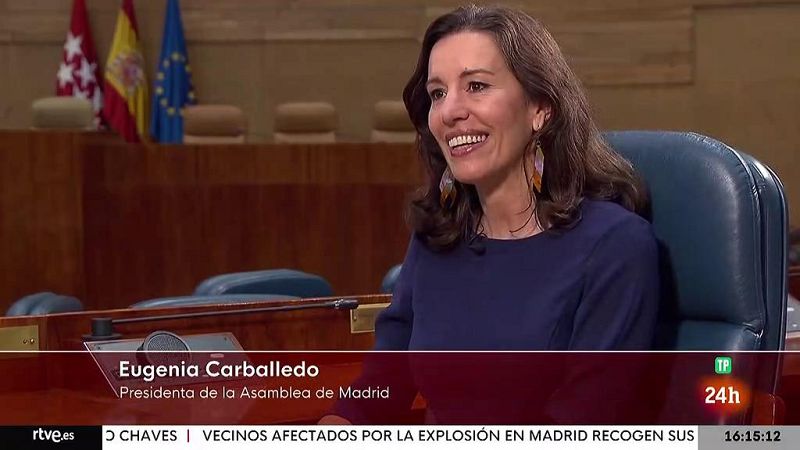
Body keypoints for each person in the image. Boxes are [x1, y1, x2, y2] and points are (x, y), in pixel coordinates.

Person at [323, 4, 660, 424]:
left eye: (477, 86)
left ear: (540, 108)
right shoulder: (438, 235)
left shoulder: (615, 247)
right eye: (438, 93)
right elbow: (379, 388)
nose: (450, 111)